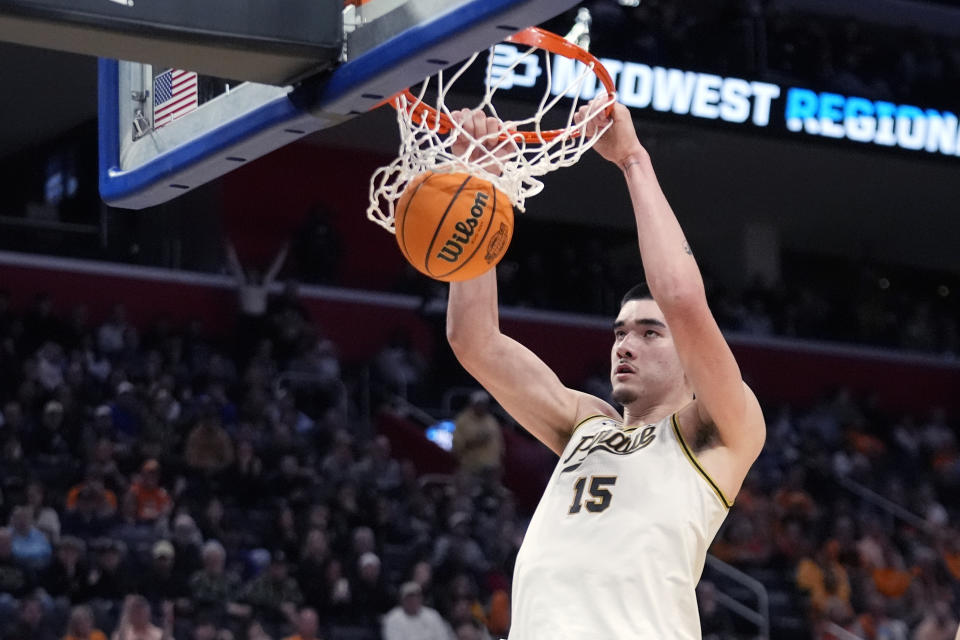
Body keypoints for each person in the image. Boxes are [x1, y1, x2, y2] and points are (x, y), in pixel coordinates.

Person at [444, 101, 766, 638]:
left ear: (687, 356)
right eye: (619, 332)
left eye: (648, 332)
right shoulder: (586, 423)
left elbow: (683, 297)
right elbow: (473, 340)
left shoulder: (718, 429)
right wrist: (480, 182)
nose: (625, 345)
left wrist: (632, 159)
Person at [381, 581, 453, 640]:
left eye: (416, 597)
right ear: (402, 600)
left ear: (421, 598)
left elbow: (443, 637)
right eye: (409, 598)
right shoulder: (393, 618)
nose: (413, 601)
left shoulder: (432, 615)